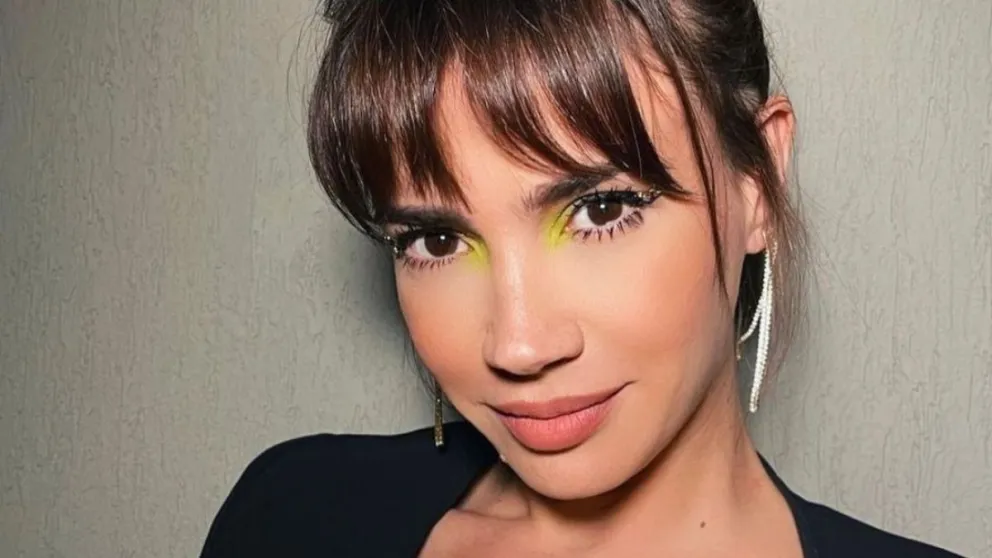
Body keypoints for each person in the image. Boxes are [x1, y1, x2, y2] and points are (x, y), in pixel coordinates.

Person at [200, 1, 962, 556]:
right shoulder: (291, 515)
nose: (519, 345)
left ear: (756, 181)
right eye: (437, 239)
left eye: (600, 210)